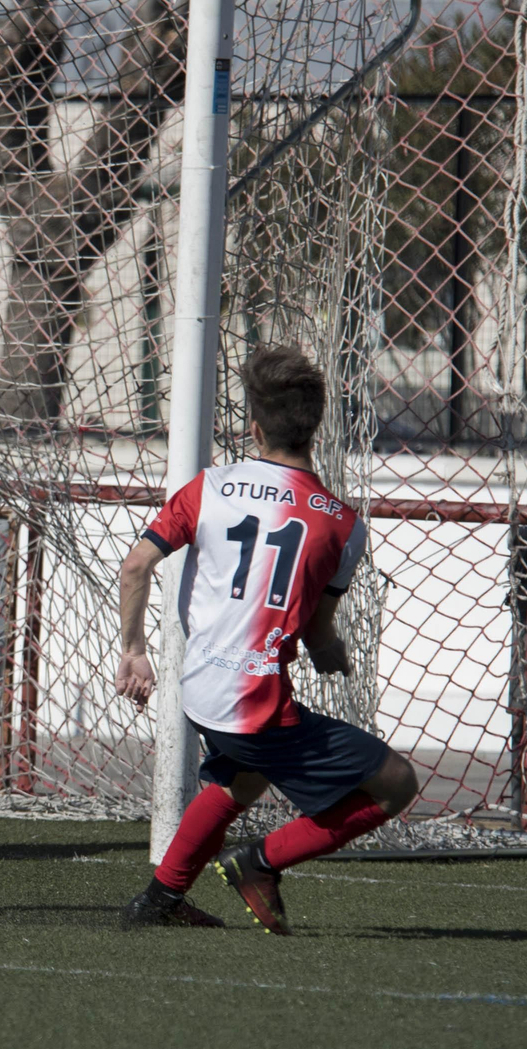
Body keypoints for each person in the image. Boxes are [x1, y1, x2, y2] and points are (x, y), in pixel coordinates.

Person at [115, 345, 418, 933]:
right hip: (253, 704)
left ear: (253, 428)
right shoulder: (343, 524)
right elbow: (317, 629)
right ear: (316, 427)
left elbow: (135, 567)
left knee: (244, 777)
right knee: (397, 783)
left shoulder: (209, 487)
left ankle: (157, 902)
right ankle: (260, 861)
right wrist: (329, 650)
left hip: (200, 689)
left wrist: (133, 651)